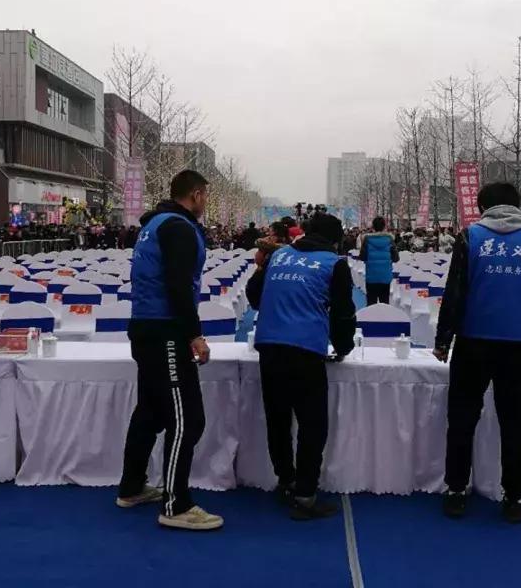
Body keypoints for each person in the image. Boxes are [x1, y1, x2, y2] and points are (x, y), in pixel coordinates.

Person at [433, 182, 521, 524]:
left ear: (482, 207)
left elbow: (455, 291)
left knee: (462, 419)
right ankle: (514, 496)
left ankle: (456, 490)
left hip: (472, 344)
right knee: (517, 424)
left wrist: (443, 339)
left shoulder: (470, 238)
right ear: (518, 205)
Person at [118, 170, 222, 531]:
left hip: (145, 325)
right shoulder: (178, 228)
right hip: (165, 330)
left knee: (150, 412)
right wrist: (194, 334)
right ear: (195, 195)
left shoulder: (154, 224)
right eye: (205, 195)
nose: (205, 202)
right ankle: (176, 504)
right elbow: (178, 284)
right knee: (187, 419)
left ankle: (131, 486)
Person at [246, 212, 356, 520]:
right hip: (305, 348)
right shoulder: (334, 264)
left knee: (278, 419)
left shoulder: (279, 256)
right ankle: (306, 494)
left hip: (269, 345)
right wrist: (343, 347)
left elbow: (254, 296)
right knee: (312, 423)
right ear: (335, 240)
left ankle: (286, 481)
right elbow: (343, 313)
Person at [359, 216, 398, 305]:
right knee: (384, 303)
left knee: (371, 303)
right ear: (384, 226)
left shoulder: (367, 239)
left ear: (373, 226)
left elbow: (362, 257)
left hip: (371, 276)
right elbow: (396, 258)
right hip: (385, 276)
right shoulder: (390, 239)